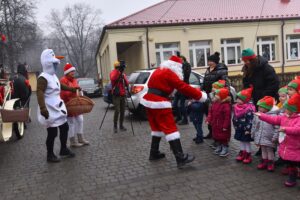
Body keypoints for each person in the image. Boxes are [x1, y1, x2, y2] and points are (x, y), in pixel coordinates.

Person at [140, 55, 207, 169]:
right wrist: (200, 95)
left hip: (149, 101)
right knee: (171, 129)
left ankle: (153, 153)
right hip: (159, 102)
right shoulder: (169, 73)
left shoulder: (159, 70)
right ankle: (180, 158)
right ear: (176, 67)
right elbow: (183, 87)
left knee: (157, 128)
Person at [37, 49, 78, 163]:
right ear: (48, 63)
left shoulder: (53, 76)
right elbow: (39, 92)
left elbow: (60, 85)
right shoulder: (43, 77)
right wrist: (42, 108)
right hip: (49, 109)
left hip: (58, 107)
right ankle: (49, 154)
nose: (56, 65)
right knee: (52, 133)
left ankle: (63, 149)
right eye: (54, 63)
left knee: (64, 127)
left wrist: (72, 89)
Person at [255, 94, 300, 187]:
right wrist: (262, 116)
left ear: (293, 110)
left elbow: (298, 129)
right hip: (287, 146)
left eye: (286, 108)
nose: (284, 110)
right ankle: (292, 177)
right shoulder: (284, 116)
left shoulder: (298, 119)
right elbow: (274, 119)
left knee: (297, 163)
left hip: (296, 146)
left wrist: (285, 129)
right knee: (291, 164)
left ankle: (294, 175)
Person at [242, 48, 279, 157]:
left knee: (269, 126)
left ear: (254, 59)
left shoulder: (267, 68)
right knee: (259, 125)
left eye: (249, 60)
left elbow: (274, 84)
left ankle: (271, 149)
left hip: (267, 102)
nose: (247, 62)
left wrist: (263, 96)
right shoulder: (247, 69)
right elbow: (246, 84)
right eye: (245, 60)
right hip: (256, 101)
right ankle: (262, 147)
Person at [60, 63, 89, 147]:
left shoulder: (74, 80)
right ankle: (72, 141)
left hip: (76, 104)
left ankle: (80, 138)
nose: (73, 73)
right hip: (68, 104)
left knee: (80, 120)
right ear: (67, 72)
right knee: (71, 122)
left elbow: (77, 89)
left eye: (73, 71)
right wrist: (73, 91)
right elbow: (64, 93)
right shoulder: (63, 80)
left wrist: (80, 91)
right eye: (71, 71)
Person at [202, 52, 228, 139]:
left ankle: (219, 135)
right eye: (208, 61)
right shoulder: (208, 69)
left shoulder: (221, 70)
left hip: (216, 95)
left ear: (215, 61)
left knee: (216, 115)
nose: (209, 63)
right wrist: (202, 89)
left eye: (211, 61)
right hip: (207, 94)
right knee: (209, 114)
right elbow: (205, 80)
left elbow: (225, 83)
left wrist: (220, 94)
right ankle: (211, 132)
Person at [252, 96, 278, 172]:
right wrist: (253, 133)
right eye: (258, 107)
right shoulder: (257, 115)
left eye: (261, 107)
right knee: (263, 149)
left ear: (267, 108)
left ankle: (270, 162)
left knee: (269, 150)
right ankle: (264, 161)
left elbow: (277, 128)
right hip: (261, 137)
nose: (259, 108)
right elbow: (254, 125)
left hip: (270, 138)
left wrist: (275, 137)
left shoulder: (273, 116)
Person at [233, 87, 255, 164]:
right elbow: (235, 117)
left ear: (245, 100)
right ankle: (242, 152)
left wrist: (248, 130)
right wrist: (235, 125)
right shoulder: (236, 107)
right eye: (237, 99)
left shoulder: (249, 109)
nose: (237, 100)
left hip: (245, 129)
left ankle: (248, 154)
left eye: (240, 99)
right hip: (239, 128)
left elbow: (250, 121)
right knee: (241, 141)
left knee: (246, 142)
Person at [206, 88, 231, 157]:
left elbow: (227, 117)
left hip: (222, 125)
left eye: (217, 95)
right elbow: (211, 112)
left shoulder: (226, 105)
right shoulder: (215, 103)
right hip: (215, 124)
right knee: (217, 136)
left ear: (222, 96)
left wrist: (225, 126)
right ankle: (219, 146)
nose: (215, 96)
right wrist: (209, 120)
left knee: (223, 137)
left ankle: (225, 148)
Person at [109, 60, 129, 133]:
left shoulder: (122, 73)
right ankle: (115, 126)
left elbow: (127, 83)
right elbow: (113, 79)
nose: (119, 69)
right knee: (117, 110)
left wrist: (122, 75)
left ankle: (121, 125)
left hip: (123, 94)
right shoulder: (113, 72)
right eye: (118, 67)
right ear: (116, 67)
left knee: (123, 111)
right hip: (116, 95)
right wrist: (118, 73)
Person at [174, 53, 191, 125]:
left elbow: (186, 75)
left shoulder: (187, 65)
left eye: (181, 60)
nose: (179, 61)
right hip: (178, 87)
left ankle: (185, 119)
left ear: (183, 60)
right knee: (174, 104)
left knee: (182, 104)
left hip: (184, 86)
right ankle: (179, 117)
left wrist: (183, 66)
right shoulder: (179, 66)